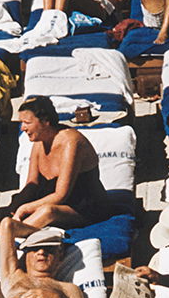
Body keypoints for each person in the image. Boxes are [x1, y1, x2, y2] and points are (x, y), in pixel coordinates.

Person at [10, 94, 116, 231]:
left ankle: (13, 235)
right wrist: (15, 206)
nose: (22, 128)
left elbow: (61, 195)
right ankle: (9, 233)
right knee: (0, 214)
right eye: (21, 123)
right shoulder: (39, 141)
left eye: (27, 123)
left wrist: (25, 208)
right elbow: (32, 184)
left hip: (85, 208)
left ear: (45, 121)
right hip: (56, 203)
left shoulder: (71, 142)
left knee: (48, 212)